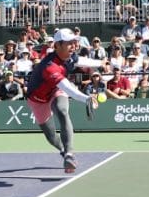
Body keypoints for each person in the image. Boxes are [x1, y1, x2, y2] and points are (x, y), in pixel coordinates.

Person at [26, 28, 103, 173]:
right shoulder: (49, 67)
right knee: (50, 135)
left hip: (55, 90)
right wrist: (86, 98)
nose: (73, 46)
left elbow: (81, 61)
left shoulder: (70, 56)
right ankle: (62, 150)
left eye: (74, 42)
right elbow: (67, 87)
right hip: (38, 99)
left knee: (62, 111)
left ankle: (69, 154)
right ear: (57, 46)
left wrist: (100, 63)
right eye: (69, 43)